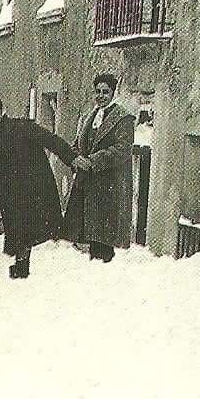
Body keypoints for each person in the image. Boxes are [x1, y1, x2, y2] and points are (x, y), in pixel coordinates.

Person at [0, 90, 91, 279]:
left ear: (2, 109)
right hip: (11, 194)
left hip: (35, 188)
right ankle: (22, 266)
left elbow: (51, 141)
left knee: (41, 230)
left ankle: (59, 268)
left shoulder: (23, 127)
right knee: (18, 232)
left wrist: (72, 158)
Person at [62, 74, 135, 262]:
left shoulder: (123, 118)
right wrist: (75, 158)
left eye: (106, 92)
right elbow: (78, 143)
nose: (101, 96)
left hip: (109, 187)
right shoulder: (89, 117)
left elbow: (122, 149)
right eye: (98, 92)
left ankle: (104, 269)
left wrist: (93, 161)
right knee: (87, 236)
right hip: (87, 185)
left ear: (113, 93)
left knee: (104, 238)